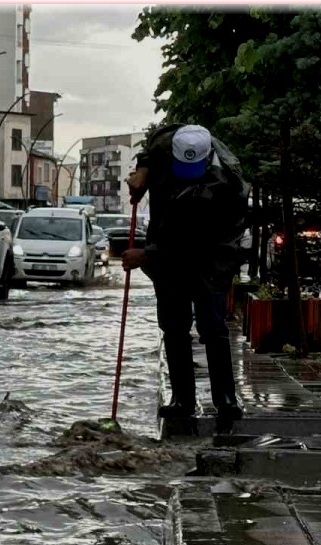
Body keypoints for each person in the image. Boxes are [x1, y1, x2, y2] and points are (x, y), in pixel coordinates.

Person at [122, 124, 249, 430]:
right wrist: (142, 172)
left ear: (208, 159)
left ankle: (225, 400)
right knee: (174, 327)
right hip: (168, 259)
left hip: (210, 258)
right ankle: (182, 400)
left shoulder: (227, 185)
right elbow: (153, 146)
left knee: (211, 327)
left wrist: (147, 255)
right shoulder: (169, 145)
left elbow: (193, 239)